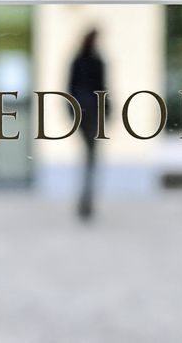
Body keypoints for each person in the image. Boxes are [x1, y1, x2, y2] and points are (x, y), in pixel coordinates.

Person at [68, 28, 108, 221]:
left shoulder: (78, 60)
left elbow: (69, 89)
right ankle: (86, 202)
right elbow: (103, 90)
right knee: (91, 159)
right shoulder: (96, 61)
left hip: (82, 113)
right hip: (92, 114)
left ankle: (85, 202)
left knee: (89, 158)